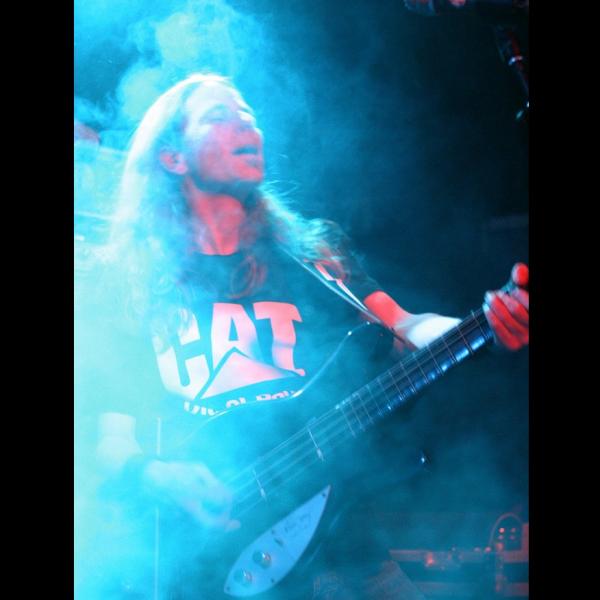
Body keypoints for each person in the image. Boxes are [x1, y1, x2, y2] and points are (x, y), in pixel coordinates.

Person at [75, 73, 529, 599]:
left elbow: (403, 326)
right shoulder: (132, 283)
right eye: (220, 116)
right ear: (173, 157)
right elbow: (109, 435)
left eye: (249, 115)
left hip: (342, 549)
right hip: (205, 552)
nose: (246, 125)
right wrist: (156, 473)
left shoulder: (314, 258)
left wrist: (488, 322)